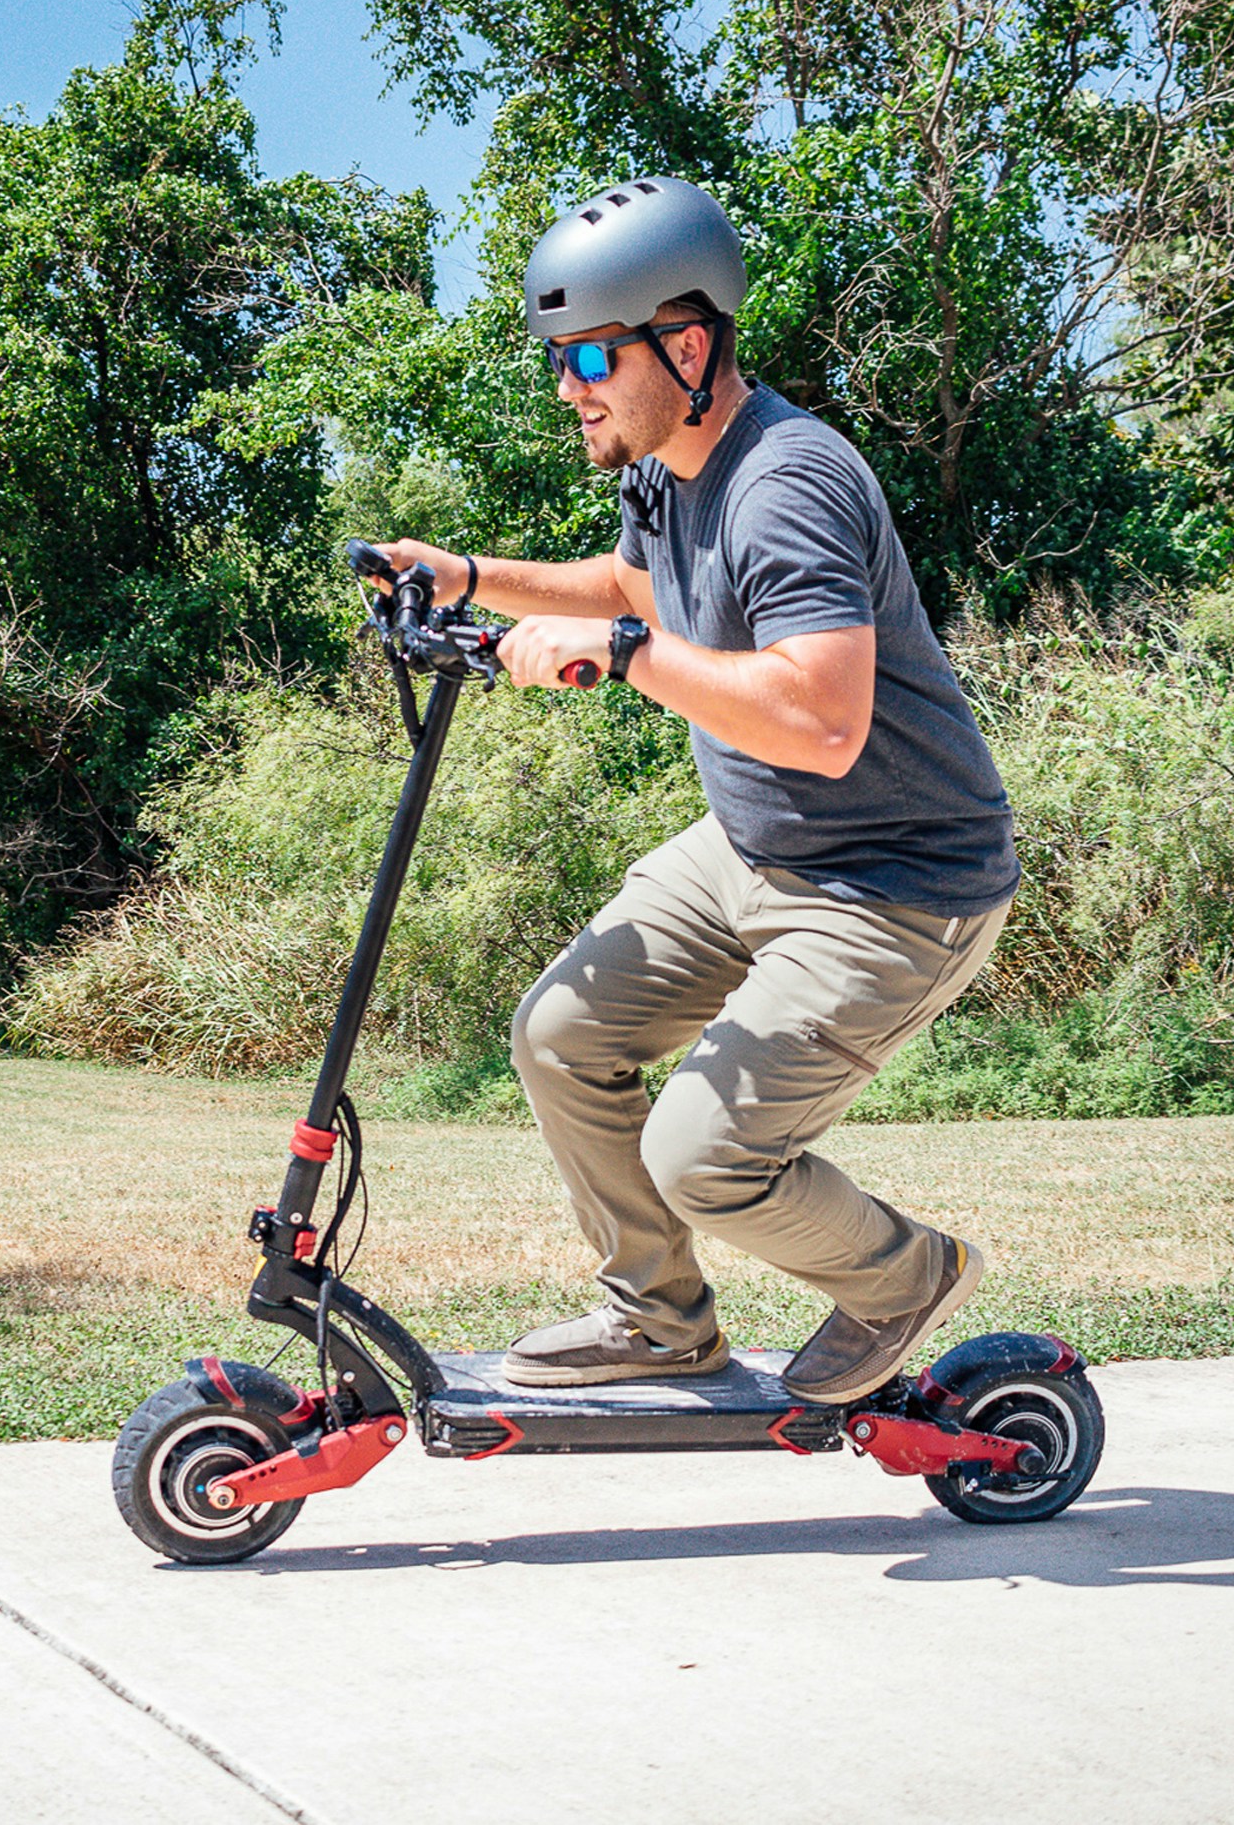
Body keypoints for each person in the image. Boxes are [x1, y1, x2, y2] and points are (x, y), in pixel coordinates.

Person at [373, 176, 1019, 1405]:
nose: (569, 386)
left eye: (591, 354)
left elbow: (825, 721)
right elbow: (632, 589)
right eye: (559, 357)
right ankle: (658, 1323)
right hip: (754, 847)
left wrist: (627, 667)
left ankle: (904, 1276)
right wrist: (464, 576)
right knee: (563, 1035)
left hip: (893, 884)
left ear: (686, 340)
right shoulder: (668, 464)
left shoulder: (789, 483)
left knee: (704, 1157)